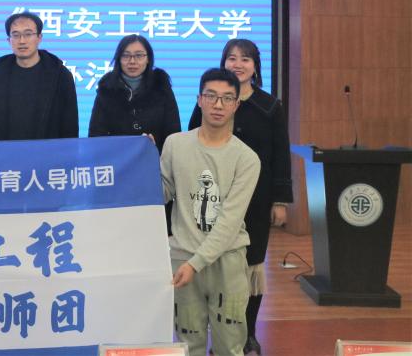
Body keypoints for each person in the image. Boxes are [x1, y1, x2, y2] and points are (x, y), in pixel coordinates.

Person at [187, 39, 292, 355]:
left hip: (256, 201)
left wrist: (280, 201)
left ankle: (248, 333)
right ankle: (215, 335)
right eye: (231, 58)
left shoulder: (269, 106)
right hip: (211, 199)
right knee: (214, 263)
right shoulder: (211, 101)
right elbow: (191, 143)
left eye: (245, 59)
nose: (237, 64)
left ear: (255, 66)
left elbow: (280, 155)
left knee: (249, 268)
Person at [162, 68, 259, 356]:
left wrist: (196, 264)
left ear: (236, 104)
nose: (218, 105)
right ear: (199, 100)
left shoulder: (247, 159)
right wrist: (141, 157)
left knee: (229, 345)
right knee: (187, 341)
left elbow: (229, 221)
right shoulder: (175, 144)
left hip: (226, 261)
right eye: (211, 96)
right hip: (182, 256)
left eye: (227, 98)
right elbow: (162, 194)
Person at [0, 11, 79, 140]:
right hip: (5, 150)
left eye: (28, 34)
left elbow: (70, 124)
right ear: (9, 40)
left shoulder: (60, 75)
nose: (22, 41)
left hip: (49, 150)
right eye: (15, 35)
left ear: (39, 37)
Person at [88, 34, 180, 152]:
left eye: (139, 55)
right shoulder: (107, 90)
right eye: (126, 56)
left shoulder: (161, 87)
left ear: (148, 59)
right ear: (119, 59)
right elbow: (95, 136)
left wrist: (154, 146)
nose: (132, 61)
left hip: (156, 159)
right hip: (117, 160)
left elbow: (174, 134)